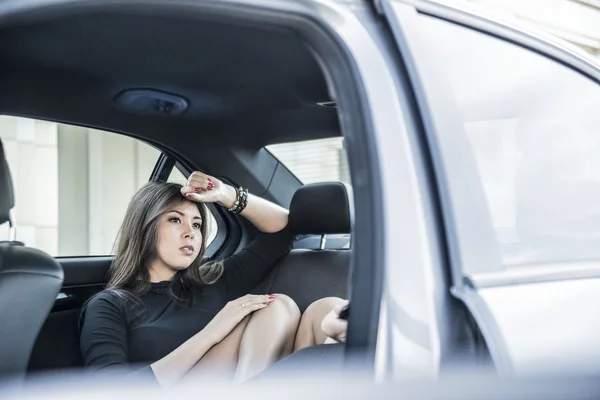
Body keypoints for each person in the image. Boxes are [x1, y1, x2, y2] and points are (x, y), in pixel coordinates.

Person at [80, 171, 343, 388]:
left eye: (196, 225)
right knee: (276, 307)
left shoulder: (214, 280)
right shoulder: (109, 305)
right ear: (144, 227)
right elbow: (111, 392)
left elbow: (284, 230)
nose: (190, 233)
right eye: (175, 220)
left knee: (327, 310)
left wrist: (227, 195)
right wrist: (212, 333)